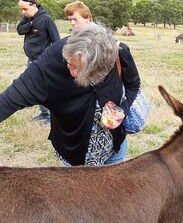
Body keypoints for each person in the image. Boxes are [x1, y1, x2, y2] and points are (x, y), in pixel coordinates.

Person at [0, 23, 140, 166]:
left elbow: (133, 84)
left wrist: (123, 109)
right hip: (76, 156)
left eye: (84, 71)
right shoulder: (47, 66)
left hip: (114, 148)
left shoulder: (118, 52)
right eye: (71, 65)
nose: (74, 73)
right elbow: (9, 100)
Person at [62, 1, 138, 164]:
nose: (72, 24)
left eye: (75, 19)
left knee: (112, 185)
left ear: (88, 17)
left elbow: (134, 84)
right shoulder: (63, 49)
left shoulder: (118, 49)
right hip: (76, 144)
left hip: (113, 141)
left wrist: (122, 110)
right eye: (69, 20)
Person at [17, 0, 60, 125]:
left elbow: (56, 41)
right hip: (31, 59)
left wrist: (52, 60)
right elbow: (19, 30)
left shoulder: (46, 19)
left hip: (43, 61)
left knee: (45, 89)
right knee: (35, 87)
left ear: (34, 6)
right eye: (21, 9)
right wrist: (30, 24)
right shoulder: (27, 18)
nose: (23, 12)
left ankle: (52, 117)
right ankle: (44, 113)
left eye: (25, 9)